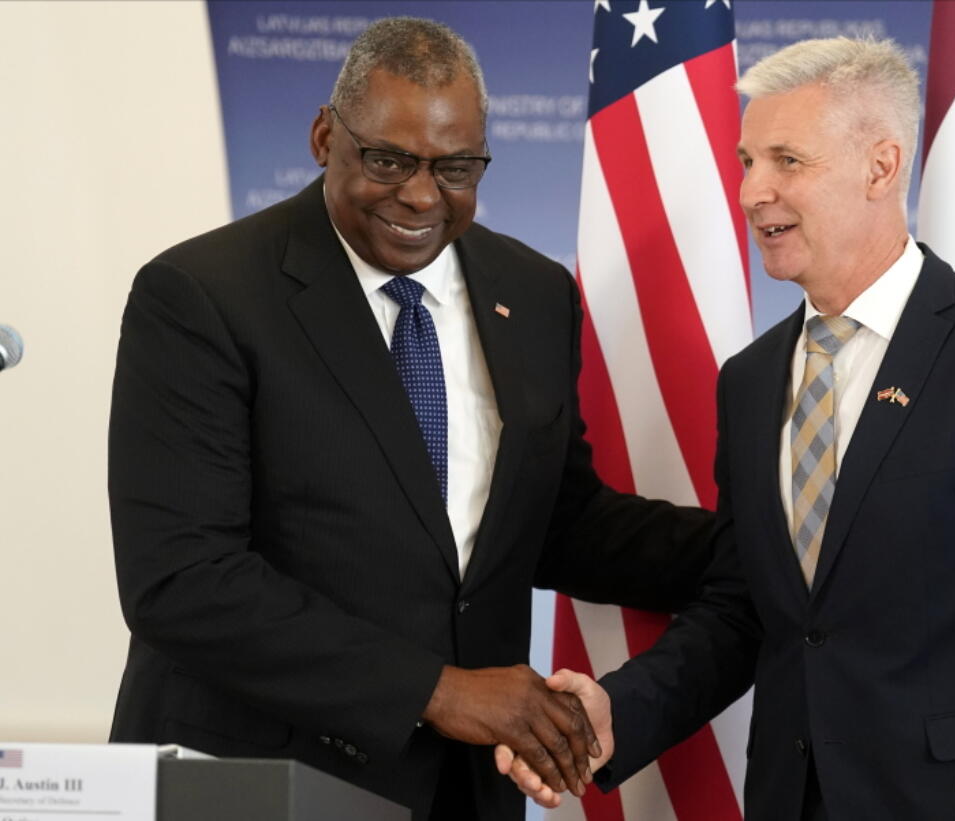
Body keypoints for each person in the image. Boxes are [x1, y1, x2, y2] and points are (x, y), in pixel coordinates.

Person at [498, 36, 955, 820]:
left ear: (882, 166)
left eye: (787, 161)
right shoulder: (752, 380)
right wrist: (614, 714)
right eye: (746, 160)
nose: (752, 191)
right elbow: (743, 610)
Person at [107, 17, 712, 821]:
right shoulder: (201, 295)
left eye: (456, 167)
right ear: (327, 136)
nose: (422, 194)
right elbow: (181, 581)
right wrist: (440, 691)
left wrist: (768, 550)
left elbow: (553, 521)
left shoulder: (531, 292)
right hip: (258, 779)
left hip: (462, 791)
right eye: (389, 160)